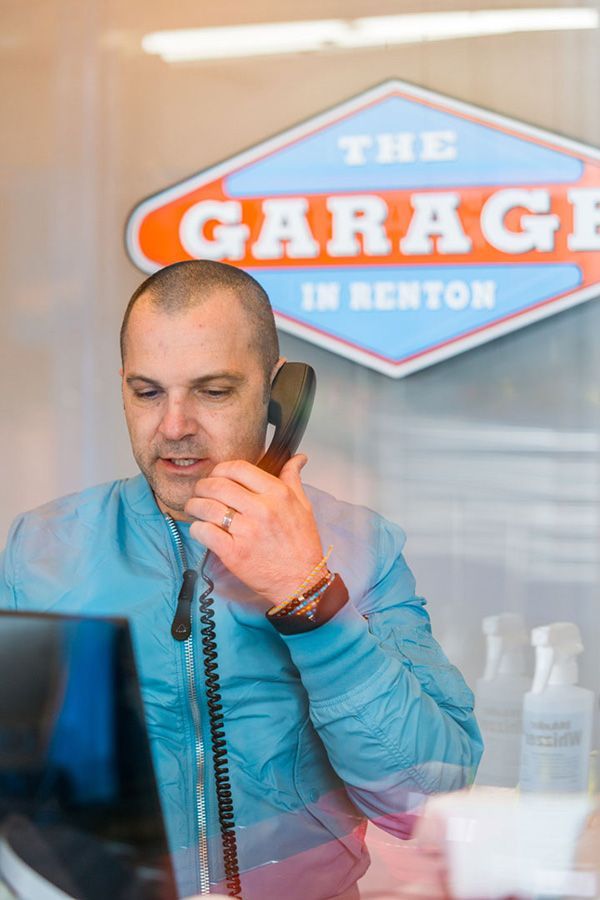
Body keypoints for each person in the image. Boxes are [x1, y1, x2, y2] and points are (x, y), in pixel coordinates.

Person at [0, 260, 482, 900]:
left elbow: (427, 799)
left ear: (281, 394)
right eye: (147, 392)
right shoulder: (41, 548)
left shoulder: (362, 547)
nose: (173, 427)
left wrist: (308, 597)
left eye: (214, 390)